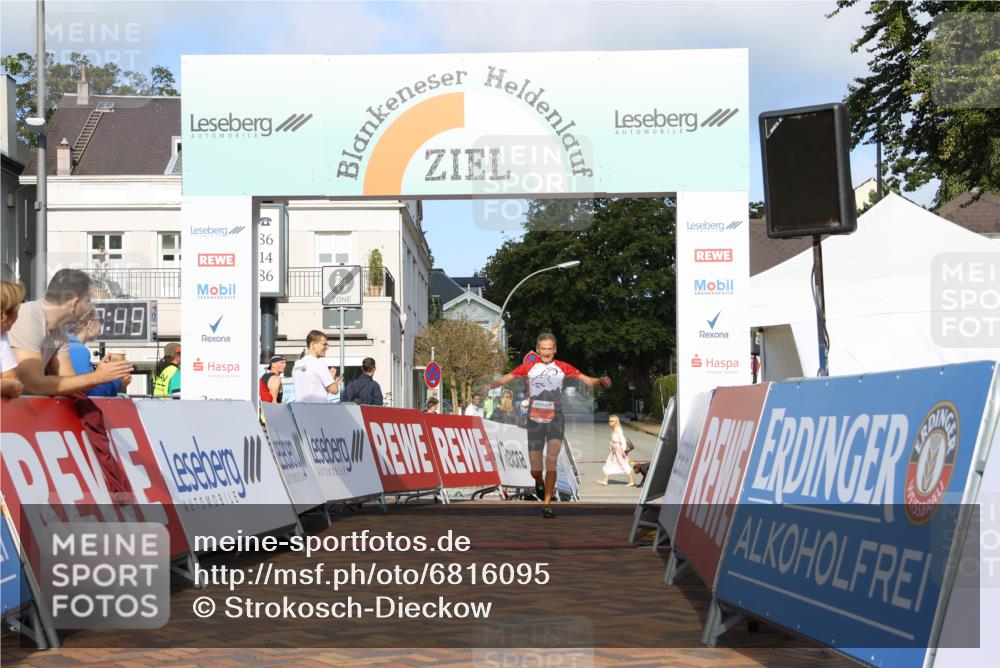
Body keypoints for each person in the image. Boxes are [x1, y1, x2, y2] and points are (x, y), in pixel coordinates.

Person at [488, 332, 611, 518]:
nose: (546, 352)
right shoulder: (528, 368)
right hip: (535, 420)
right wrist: (487, 385)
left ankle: (547, 504)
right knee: (536, 469)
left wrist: (600, 382)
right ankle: (538, 481)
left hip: (556, 418)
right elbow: (504, 379)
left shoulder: (563, 367)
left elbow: (588, 380)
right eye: (543, 349)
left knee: (551, 460)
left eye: (550, 349)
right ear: (538, 350)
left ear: (555, 349)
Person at [8, 269, 131, 396]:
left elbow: (68, 382)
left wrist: (102, 375)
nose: (89, 307)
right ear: (75, 303)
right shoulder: (28, 317)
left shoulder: (59, 330)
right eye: (88, 301)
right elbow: (32, 385)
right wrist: (97, 377)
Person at [68, 306, 130, 397]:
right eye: (100, 321)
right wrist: (119, 382)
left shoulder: (66, 345)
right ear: (90, 324)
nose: (101, 326)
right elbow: (91, 393)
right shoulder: (78, 350)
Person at [292, 330, 342, 403]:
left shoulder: (297, 364)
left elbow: (317, 390)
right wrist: (333, 379)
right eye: (324, 344)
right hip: (318, 410)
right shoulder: (318, 363)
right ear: (313, 345)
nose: (327, 347)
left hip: (300, 410)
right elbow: (334, 390)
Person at [1, 280, 25, 399]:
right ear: (4, 315)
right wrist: (11, 385)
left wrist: (12, 385)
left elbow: (11, 379)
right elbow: (14, 385)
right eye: (17, 310)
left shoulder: (2, 336)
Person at [598, 415, 636, 486]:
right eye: (609, 420)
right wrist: (611, 445)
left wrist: (623, 450)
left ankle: (631, 481)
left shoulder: (618, 430)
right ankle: (605, 480)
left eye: (611, 421)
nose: (609, 422)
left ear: (615, 422)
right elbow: (615, 440)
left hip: (618, 449)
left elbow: (622, 440)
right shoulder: (614, 429)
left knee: (622, 463)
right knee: (609, 463)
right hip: (614, 449)